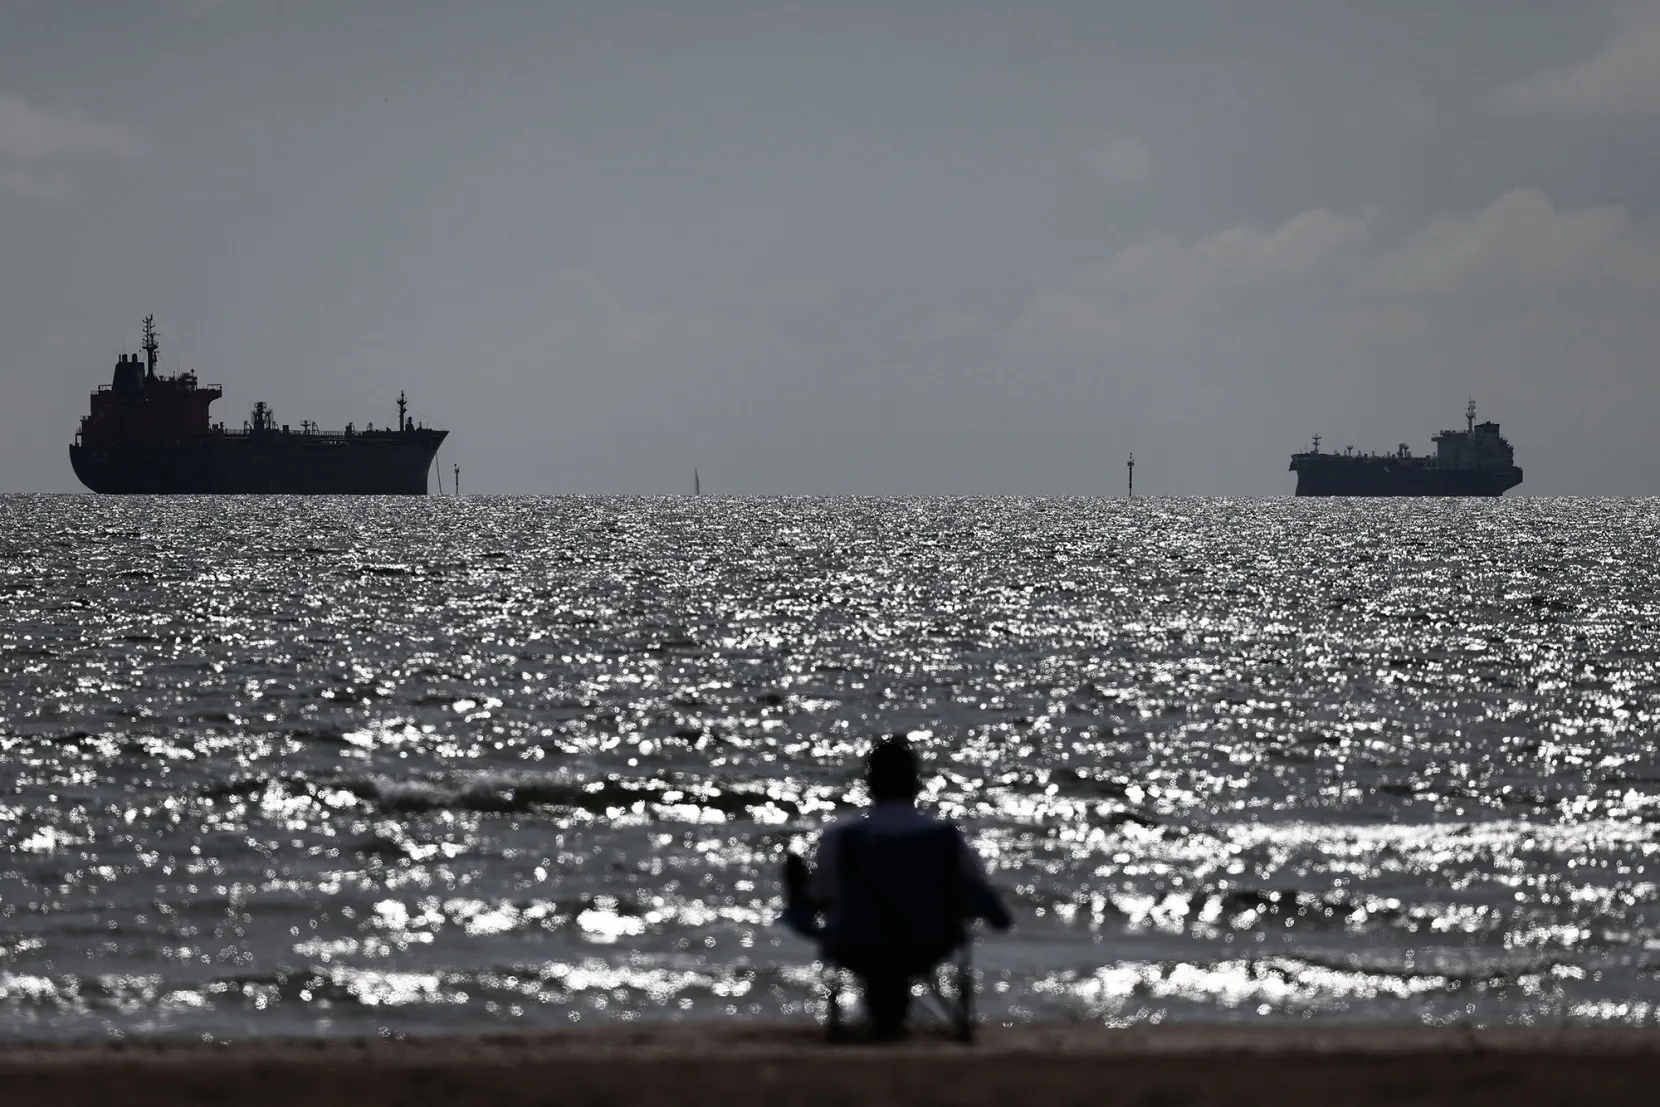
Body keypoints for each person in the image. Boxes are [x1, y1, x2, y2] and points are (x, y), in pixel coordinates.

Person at [782, 734, 1011, 1039]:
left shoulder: (844, 839)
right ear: (916, 784)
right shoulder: (943, 838)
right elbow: (976, 894)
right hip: (928, 942)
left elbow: (822, 898)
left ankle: (868, 1021)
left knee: (812, 894)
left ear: (869, 785)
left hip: (860, 943)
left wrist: (800, 899)